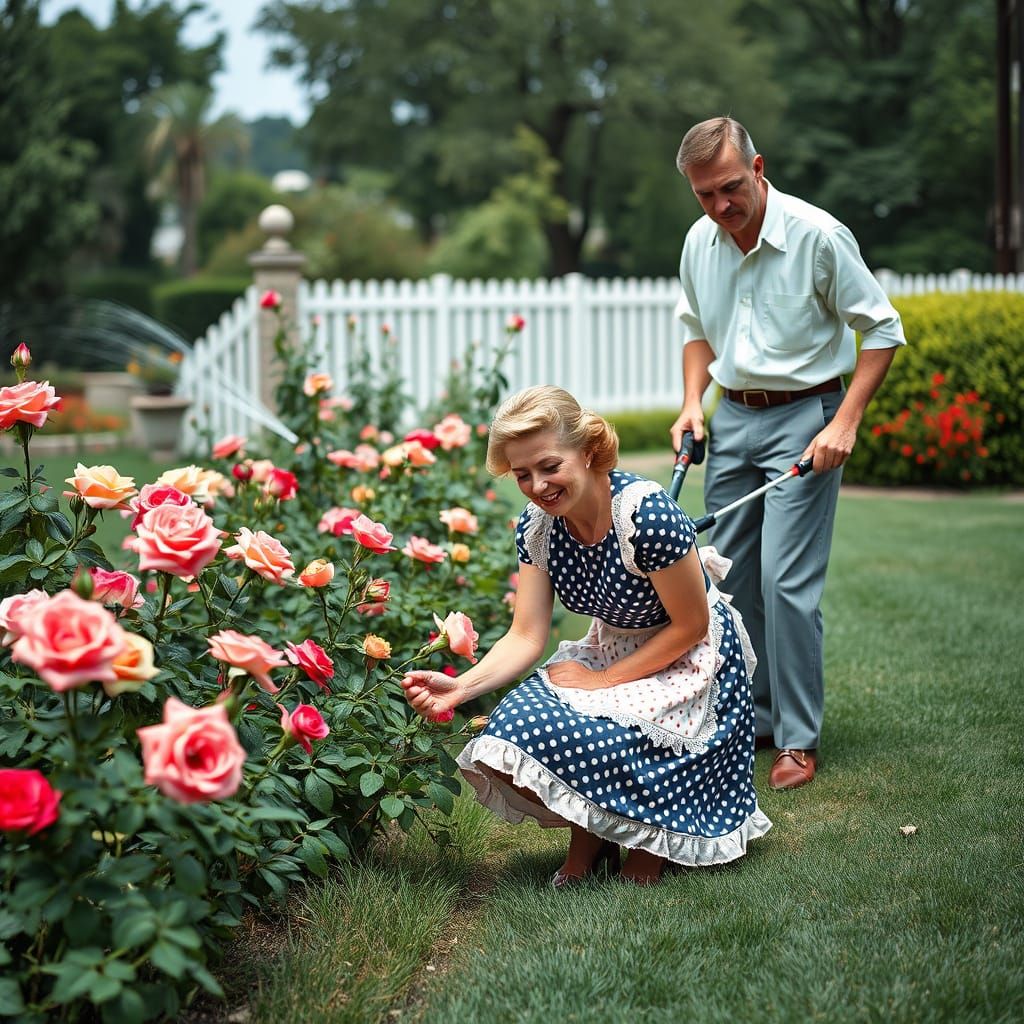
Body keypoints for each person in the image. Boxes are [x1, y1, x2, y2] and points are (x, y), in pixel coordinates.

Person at [402, 385, 771, 887]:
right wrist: (464, 687)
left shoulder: (649, 516)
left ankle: (653, 839)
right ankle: (593, 837)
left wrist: (605, 683)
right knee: (516, 725)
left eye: (549, 466)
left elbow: (692, 625)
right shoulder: (538, 527)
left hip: (689, 656)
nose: (537, 485)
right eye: (522, 474)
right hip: (615, 644)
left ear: (590, 451)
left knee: (623, 724)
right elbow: (526, 633)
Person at [669, 116, 906, 790]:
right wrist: (692, 403)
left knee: (786, 584)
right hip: (735, 418)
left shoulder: (818, 236)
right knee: (729, 581)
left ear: (759, 167)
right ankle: (753, 718)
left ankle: (797, 739)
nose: (720, 206)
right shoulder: (700, 242)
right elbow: (695, 329)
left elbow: (883, 330)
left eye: (729, 188)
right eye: (705, 195)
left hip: (808, 417)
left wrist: (846, 424)